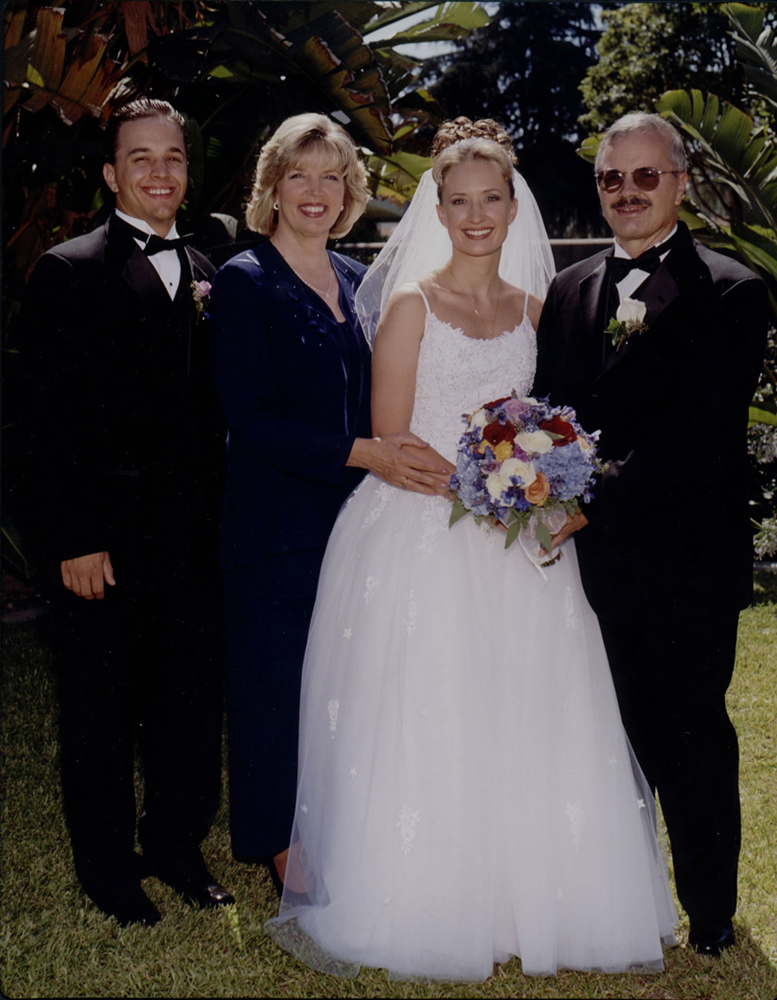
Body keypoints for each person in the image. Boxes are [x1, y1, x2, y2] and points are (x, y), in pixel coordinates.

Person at [264, 118, 677, 981]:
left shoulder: (538, 310)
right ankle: (428, 899)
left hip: (521, 542)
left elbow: (558, 423)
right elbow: (392, 435)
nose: (477, 215)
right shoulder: (411, 306)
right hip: (422, 533)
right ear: (439, 210)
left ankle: (541, 899)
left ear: (514, 206)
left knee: (531, 710)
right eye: (459, 201)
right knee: (433, 711)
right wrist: (486, 487)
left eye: (492, 199)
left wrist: (536, 483)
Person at [534, 112, 768, 957]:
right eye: (611, 178)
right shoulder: (569, 289)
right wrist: (530, 480)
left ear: (679, 182)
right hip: (588, 566)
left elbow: (696, 433)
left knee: (690, 734)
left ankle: (707, 913)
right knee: (610, 735)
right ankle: (623, 904)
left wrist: (583, 498)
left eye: (644, 176)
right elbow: (551, 411)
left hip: (684, 558)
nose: (626, 192)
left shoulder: (731, 290)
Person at [208, 114, 450, 893]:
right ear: (272, 187)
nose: (316, 192)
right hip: (275, 526)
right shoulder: (245, 280)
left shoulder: (356, 278)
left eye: (332, 176)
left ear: (349, 192)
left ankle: (341, 826)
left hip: (357, 523)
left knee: (344, 686)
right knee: (273, 689)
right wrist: (364, 454)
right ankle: (279, 846)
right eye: (299, 175)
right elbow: (249, 418)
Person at [19, 98, 233, 927]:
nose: (159, 172)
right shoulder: (67, 270)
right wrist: (74, 538)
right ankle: (108, 870)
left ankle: (177, 847)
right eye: (140, 158)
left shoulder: (213, 266)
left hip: (194, 534)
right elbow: (41, 424)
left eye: (172, 156)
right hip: (103, 536)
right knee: (100, 709)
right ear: (111, 174)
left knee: (189, 703)